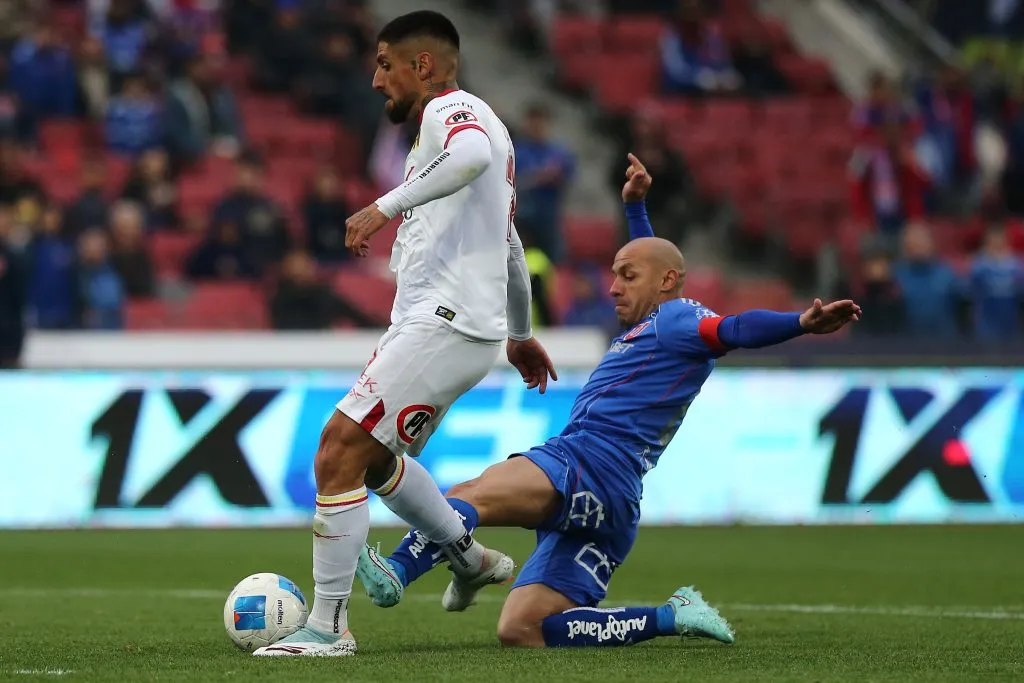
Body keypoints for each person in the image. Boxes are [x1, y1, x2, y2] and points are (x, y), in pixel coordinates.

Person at [354, 154, 861, 649]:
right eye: (615, 274)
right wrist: (636, 209)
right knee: (524, 631)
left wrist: (799, 323)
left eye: (627, 277)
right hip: (616, 503)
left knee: (471, 494)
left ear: (665, 283)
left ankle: (399, 572)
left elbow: (734, 328)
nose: (614, 287)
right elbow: (653, 258)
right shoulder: (659, 318)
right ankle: (670, 616)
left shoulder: (679, 320)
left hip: (587, 463)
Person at [254, 10, 556, 657]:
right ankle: (468, 556)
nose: (375, 79)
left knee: (337, 450)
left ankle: (328, 626)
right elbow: (510, 245)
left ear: (423, 66)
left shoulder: (453, 113)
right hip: (454, 325)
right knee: (377, 458)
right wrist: (520, 331)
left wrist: (385, 204)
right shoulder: (481, 129)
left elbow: (469, 157)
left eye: (385, 63)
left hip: (444, 323)